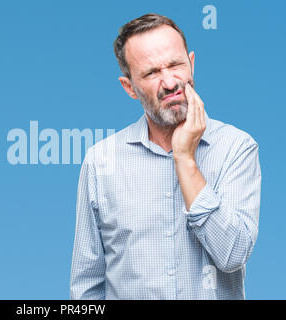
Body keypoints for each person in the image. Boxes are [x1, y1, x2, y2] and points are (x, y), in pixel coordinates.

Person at [69, 13, 261, 299]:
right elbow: (86, 286)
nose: (170, 82)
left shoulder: (236, 148)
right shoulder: (101, 162)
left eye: (175, 65)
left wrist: (185, 159)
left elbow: (232, 255)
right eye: (151, 73)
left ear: (191, 63)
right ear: (129, 87)